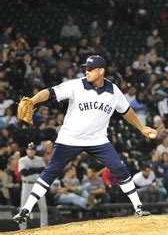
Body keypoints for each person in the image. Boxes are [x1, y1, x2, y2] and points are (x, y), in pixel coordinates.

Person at [13, 55, 160, 224]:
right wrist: (32, 100)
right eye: (86, 68)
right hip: (69, 138)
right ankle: (26, 209)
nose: (87, 71)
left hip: (97, 140)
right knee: (50, 171)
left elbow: (126, 111)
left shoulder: (114, 91)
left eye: (90, 69)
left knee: (120, 169)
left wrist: (141, 128)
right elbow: (50, 92)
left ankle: (139, 207)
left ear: (101, 71)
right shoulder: (76, 85)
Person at [18, 142, 47, 230]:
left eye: (32, 150)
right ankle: (22, 228)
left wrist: (30, 169)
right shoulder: (22, 160)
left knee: (43, 207)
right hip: (27, 185)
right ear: (27, 151)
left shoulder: (40, 159)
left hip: (38, 185)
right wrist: (37, 170)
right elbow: (24, 172)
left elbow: (44, 171)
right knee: (24, 207)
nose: (31, 151)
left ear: (35, 151)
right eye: (29, 150)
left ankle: (44, 227)